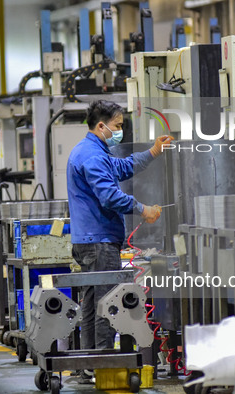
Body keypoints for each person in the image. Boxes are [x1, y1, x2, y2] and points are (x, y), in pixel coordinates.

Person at [66, 100, 173, 357]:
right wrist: (143, 209)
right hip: (98, 243)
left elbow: (121, 167)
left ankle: (89, 364)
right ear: (101, 125)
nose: (120, 130)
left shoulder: (94, 151)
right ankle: (103, 363)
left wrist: (153, 152)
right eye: (118, 125)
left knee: (92, 305)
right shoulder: (91, 156)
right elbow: (109, 197)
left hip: (92, 241)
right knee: (107, 305)